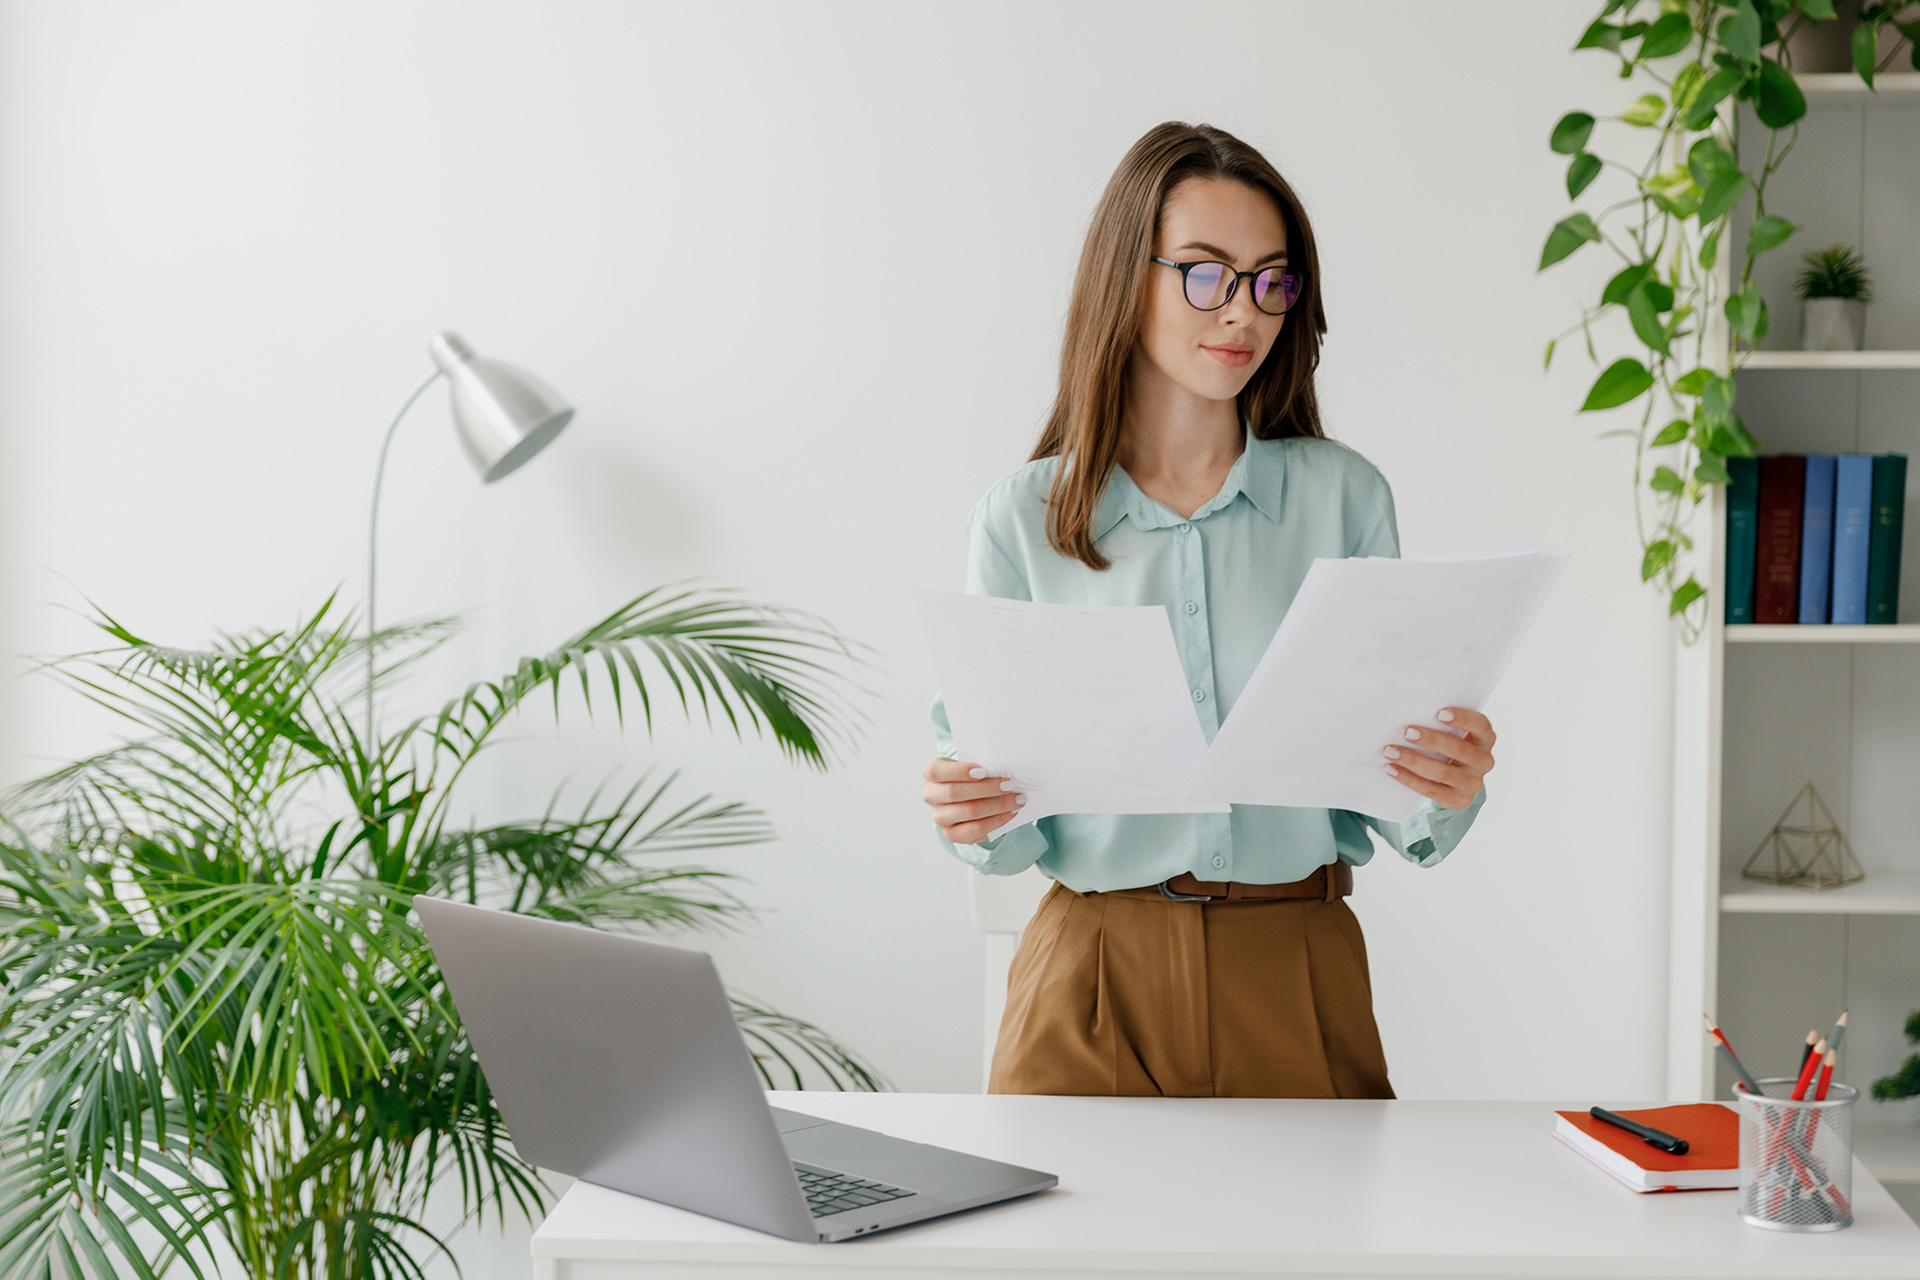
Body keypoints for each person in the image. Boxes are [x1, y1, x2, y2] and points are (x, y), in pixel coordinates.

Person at [920, 121, 1494, 1100]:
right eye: (1205, 272)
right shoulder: (1019, 520)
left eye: (1272, 280)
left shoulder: (1343, 499)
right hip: (1090, 972)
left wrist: (1448, 776)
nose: (1243, 310)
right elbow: (1001, 834)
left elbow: (1402, 805)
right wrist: (966, 807)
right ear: (1123, 277)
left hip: (1296, 963)